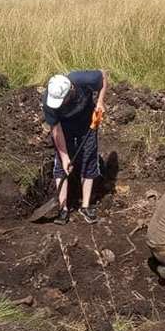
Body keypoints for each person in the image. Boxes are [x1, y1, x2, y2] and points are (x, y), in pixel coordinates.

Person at [42, 70, 108, 225]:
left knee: (89, 158)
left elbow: (103, 76)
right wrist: (65, 157)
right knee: (61, 163)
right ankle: (63, 208)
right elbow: (56, 131)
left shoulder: (83, 79)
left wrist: (100, 102)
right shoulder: (48, 102)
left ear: (70, 91)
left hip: (87, 122)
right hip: (65, 127)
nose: (59, 104)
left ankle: (85, 206)